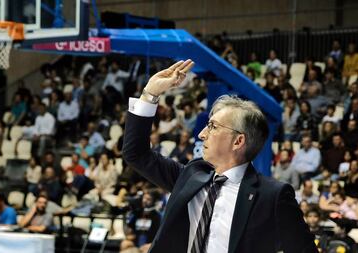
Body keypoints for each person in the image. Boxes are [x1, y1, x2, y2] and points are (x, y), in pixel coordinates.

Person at [122, 59, 317, 253]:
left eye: (213, 126)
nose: (202, 134)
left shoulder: (272, 196)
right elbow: (136, 153)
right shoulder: (192, 174)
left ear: (238, 141)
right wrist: (150, 94)